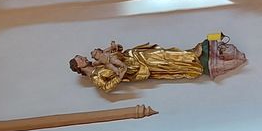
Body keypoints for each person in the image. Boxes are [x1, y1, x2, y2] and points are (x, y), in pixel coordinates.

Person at [69, 37, 247, 93]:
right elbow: (106, 87)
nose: (84, 58)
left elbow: (116, 54)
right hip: (136, 69)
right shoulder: (96, 76)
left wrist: (117, 48)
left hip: (134, 55)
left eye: (82, 57)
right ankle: (191, 60)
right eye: (81, 60)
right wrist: (120, 75)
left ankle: (190, 54)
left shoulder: (98, 61)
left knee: (161, 53)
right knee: (164, 64)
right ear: (80, 68)